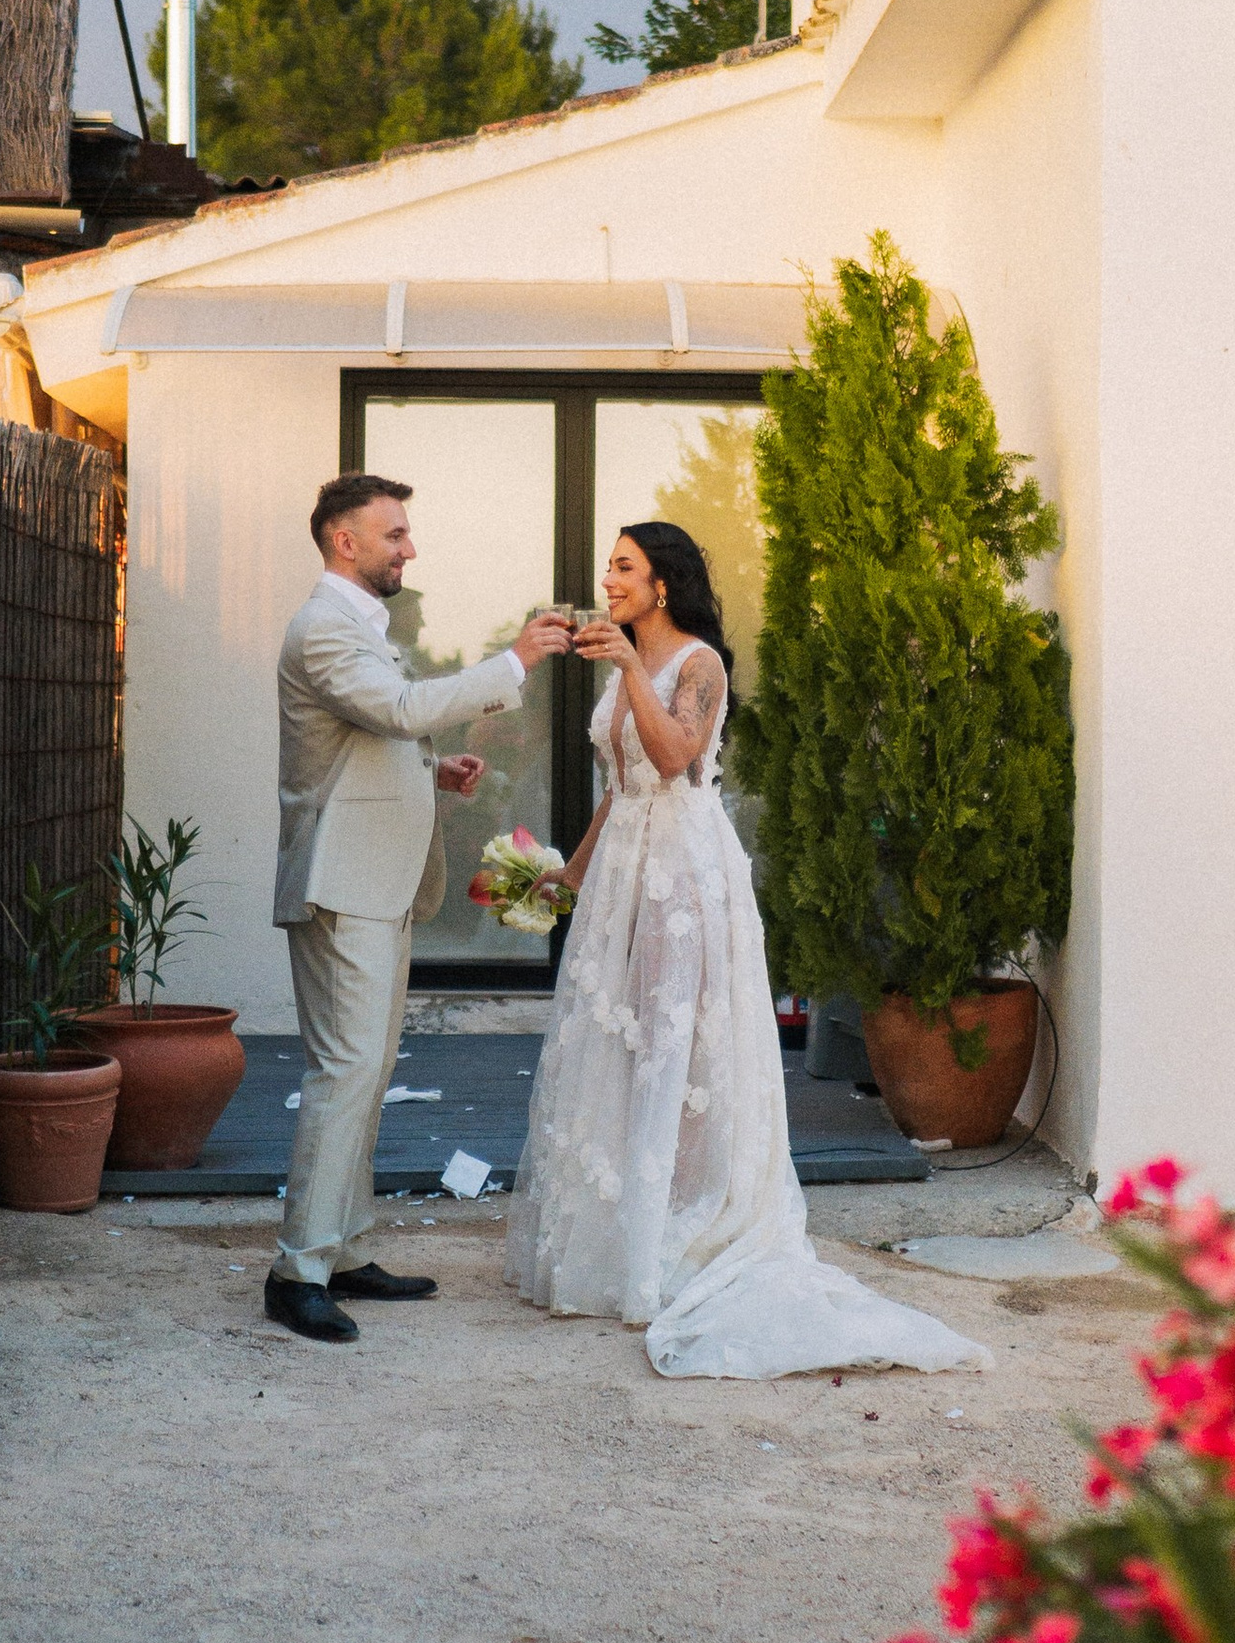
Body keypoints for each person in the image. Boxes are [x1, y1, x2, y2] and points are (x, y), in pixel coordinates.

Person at [506, 520, 989, 1382]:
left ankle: (683, 1227)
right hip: (623, 874)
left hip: (686, 879)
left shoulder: (697, 665)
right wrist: (566, 877)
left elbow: (675, 755)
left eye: (624, 567)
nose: (608, 579)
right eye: (609, 567)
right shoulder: (624, 669)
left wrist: (625, 667)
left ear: (663, 584)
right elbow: (619, 791)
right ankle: (622, 1232)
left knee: (679, 1049)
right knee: (617, 1045)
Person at [269, 473, 569, 1344]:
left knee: (365, 1070)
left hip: (376, 879)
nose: (410, 548)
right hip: (344, 883)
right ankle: (298, 1270)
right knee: (346, 1072)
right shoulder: (323, 626)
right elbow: (396, 708)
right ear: (344, 542)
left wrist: (433, 771)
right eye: (394, 534)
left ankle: (346, 1248)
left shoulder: (358, 626)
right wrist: (517, 660)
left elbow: (361, 739)